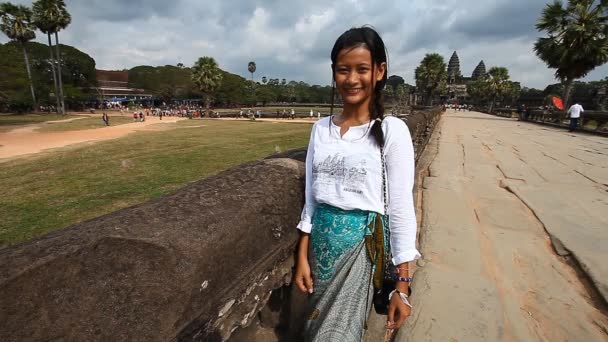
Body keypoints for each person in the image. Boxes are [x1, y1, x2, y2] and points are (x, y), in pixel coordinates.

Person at [293, 26, 420, 341]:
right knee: (314, 328)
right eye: (343, 70)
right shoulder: (321, 129)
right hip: (320, 251)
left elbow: (401, 208)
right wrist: (301, 257)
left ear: (379, 71)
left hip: (361, 251)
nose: (352, 79)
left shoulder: (392, 131)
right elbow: (312, 200)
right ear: (334, 73)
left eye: (362, 69)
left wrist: (402, 287)